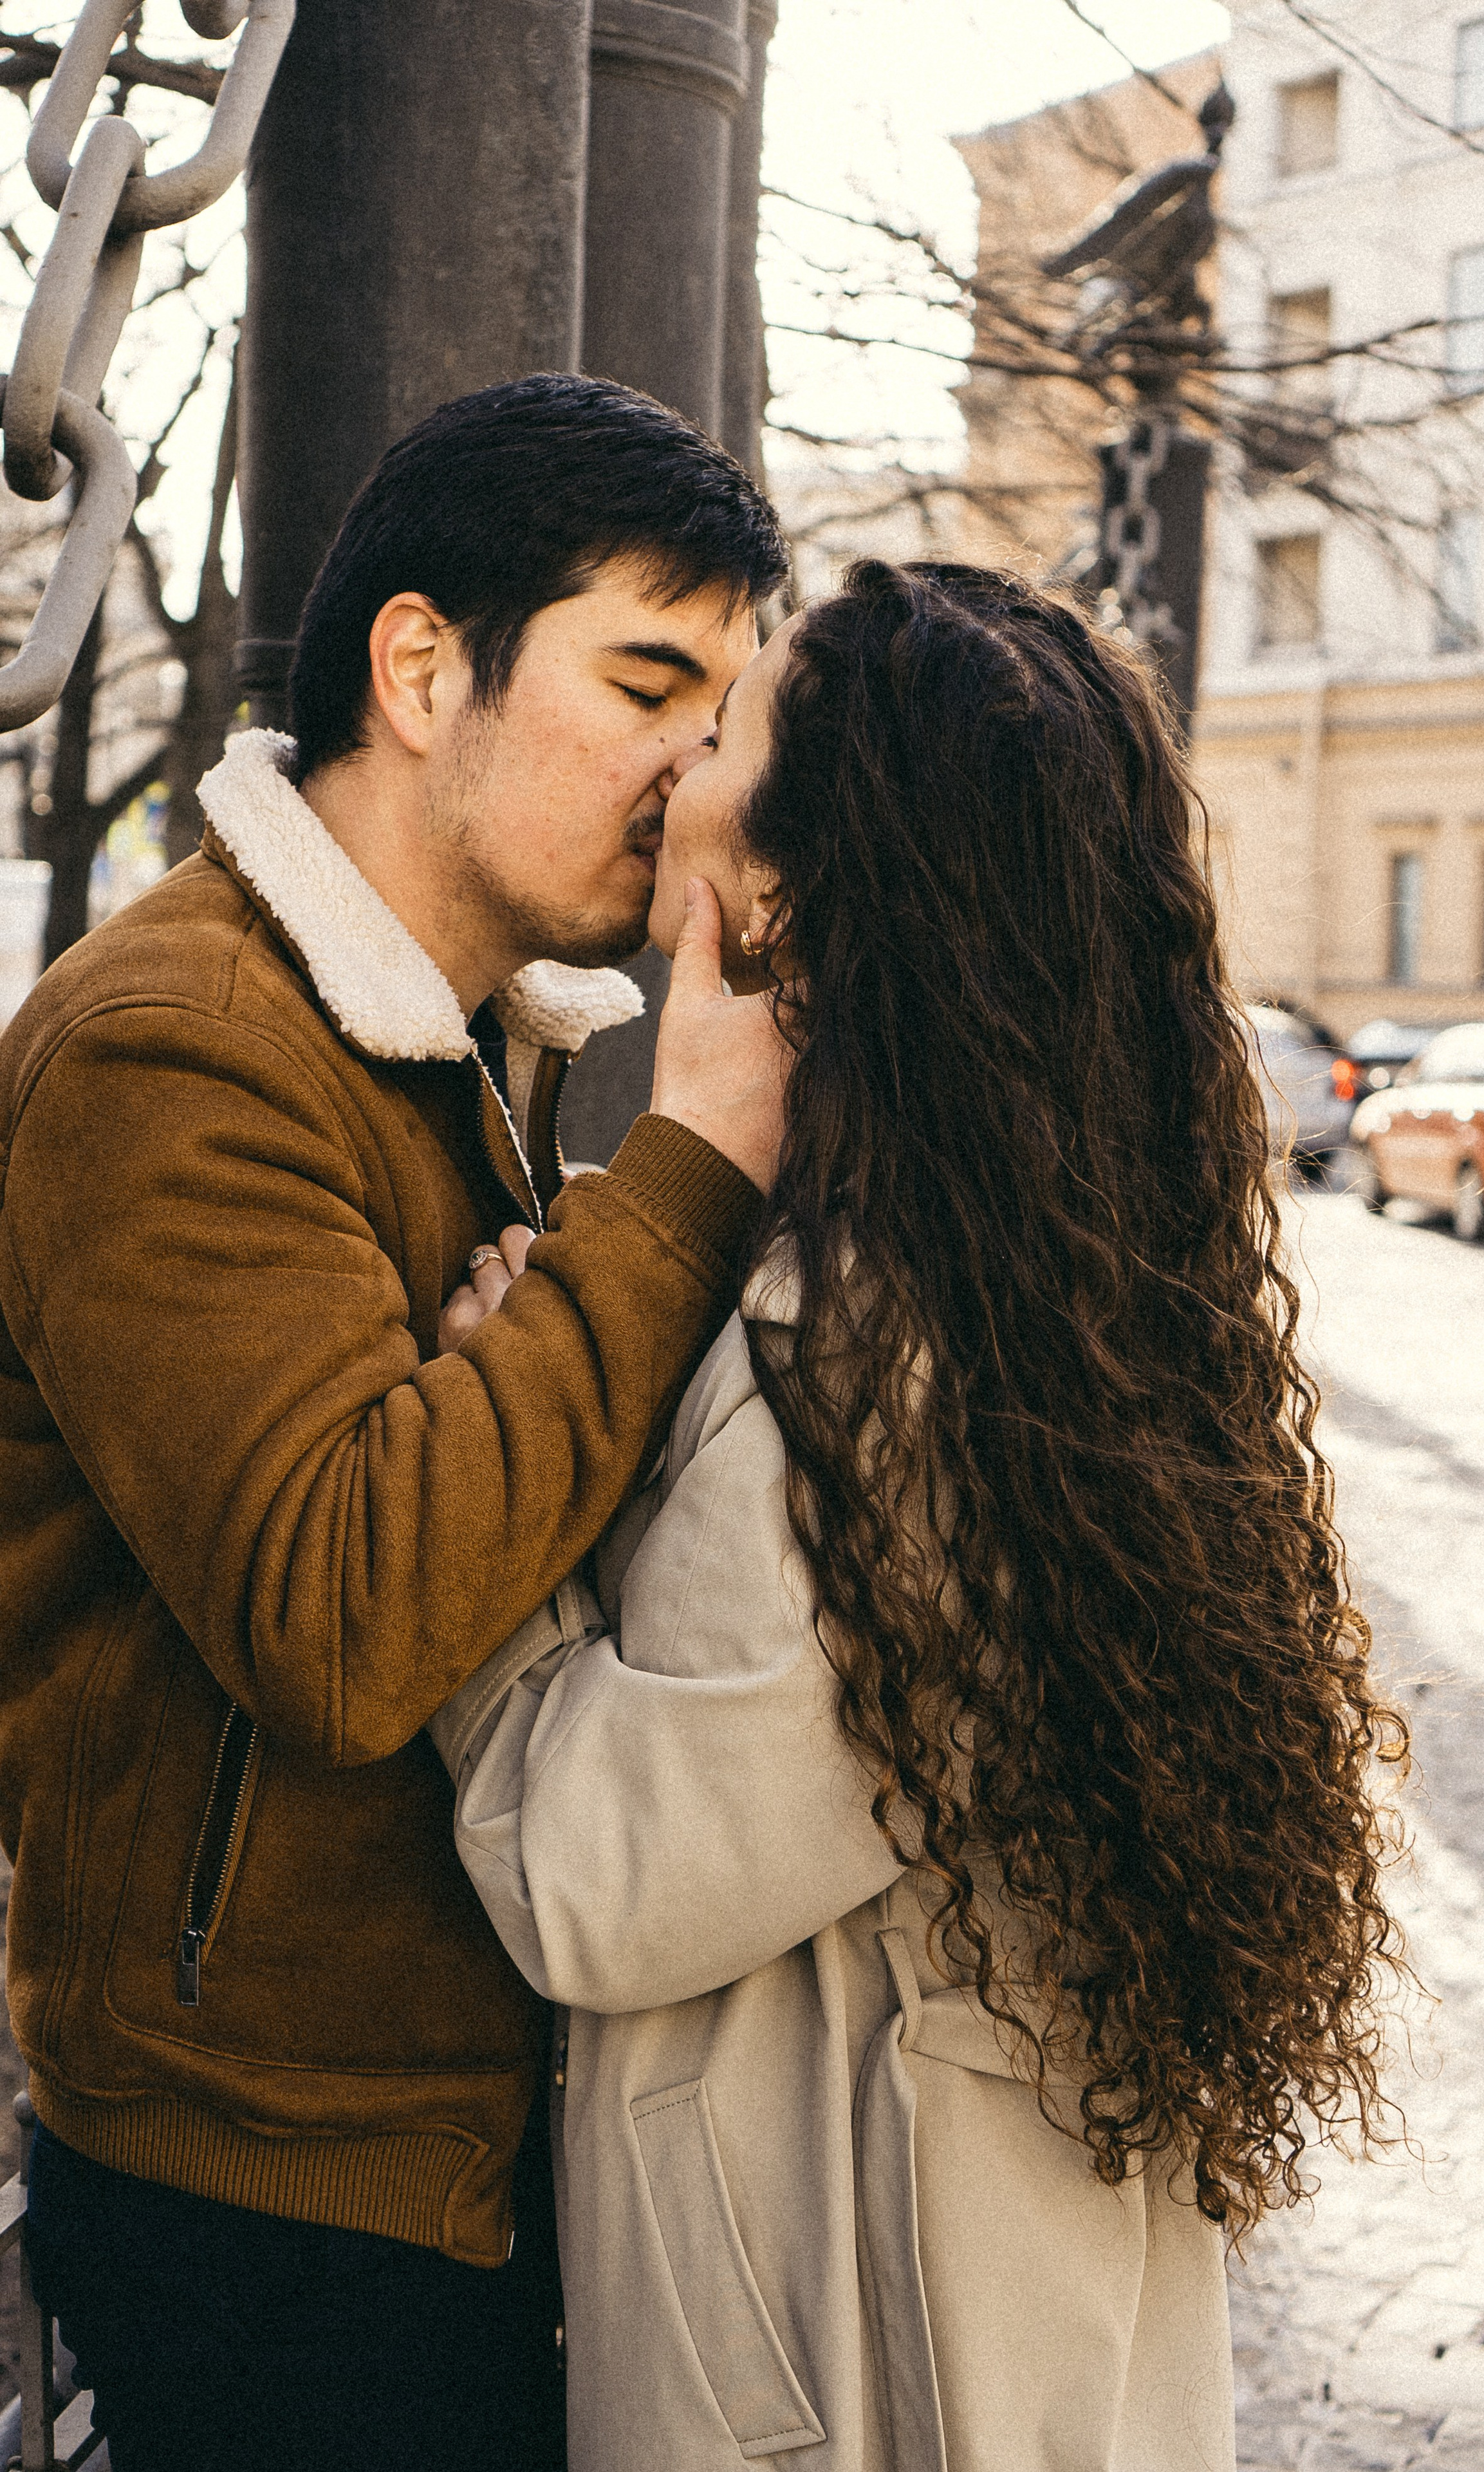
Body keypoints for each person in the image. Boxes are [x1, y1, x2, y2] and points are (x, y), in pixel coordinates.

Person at [434, 560, 1411, 2472]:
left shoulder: (867, 1361)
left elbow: (598, 1878)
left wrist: (505, 1469)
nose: (672, 760)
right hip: (976, 2318)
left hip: (860, 2361)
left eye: (723, 730)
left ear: (798, 891)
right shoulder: (1038, 1280)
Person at [0, 372, 790, 2472]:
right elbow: (343, 1621)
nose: (692, 770)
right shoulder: (180, 1051)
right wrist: (700, 1151)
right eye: (648, 683)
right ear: (426, 666)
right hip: (265, 2192)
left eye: (722, 710)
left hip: (413, 2141)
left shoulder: (451, 1052)